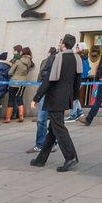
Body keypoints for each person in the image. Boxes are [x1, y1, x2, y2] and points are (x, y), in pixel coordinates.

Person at [30, 34, 82, 172]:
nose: (59, 44)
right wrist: (74, 97)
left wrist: (36, 97)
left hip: (55, 98)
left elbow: (49, 80)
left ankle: (70, 157)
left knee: (58, 128)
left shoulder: (58, 57)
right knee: (53, 130)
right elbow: (78, 81)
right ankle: (41, 159)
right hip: (66, 97)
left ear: (63, 45)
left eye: (60, 42)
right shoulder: (77, 58)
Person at [28, 48, 59, 154]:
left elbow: (43, 75)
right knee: (43, 119)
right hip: (48, 91)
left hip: (53, 92)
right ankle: (42, 144)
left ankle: (48, 144)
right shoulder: (50, 59)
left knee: (49, 120)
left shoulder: (61, 59)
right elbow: (43, 75)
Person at [5, 46, 33, 123]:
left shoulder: (18, 61)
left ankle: (8, 118)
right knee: (19, 98)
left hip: (14, 82)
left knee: (11, 99)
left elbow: (10, 72)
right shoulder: (29, 61)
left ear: (22, 53)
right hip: (23, 82)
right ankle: (21, 116)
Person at [67, 43, 90, 122]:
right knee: (75, 96)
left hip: (78, 79)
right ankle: (79, 112)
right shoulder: (84, 57)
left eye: (78, 47)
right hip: (81, 79)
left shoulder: (80, 57)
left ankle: (73, 115)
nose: (76, 48)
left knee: (74, 96)